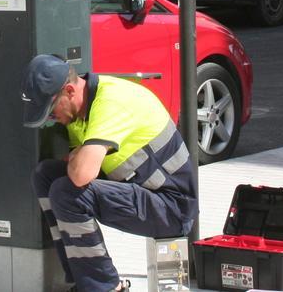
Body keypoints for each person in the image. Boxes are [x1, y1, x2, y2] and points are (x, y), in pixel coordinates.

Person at [23, 54, 197, 292]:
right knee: (45, 175)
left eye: (52, 112)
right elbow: (77, 165)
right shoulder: (80, 111)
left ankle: (104, 287)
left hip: (171, 207)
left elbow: (81, 173)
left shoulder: (110, 102)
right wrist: (80, 158)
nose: (53, 120)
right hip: (139, 191)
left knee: (66, 191)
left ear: (70, 91)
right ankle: (81, 280)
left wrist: (80, 159)